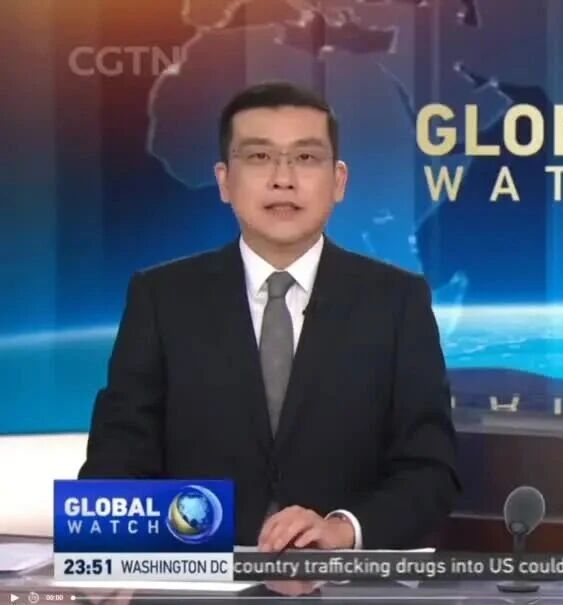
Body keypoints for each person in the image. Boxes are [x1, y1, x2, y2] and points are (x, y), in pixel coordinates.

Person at [80, 81, 460, 550]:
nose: (284, 178)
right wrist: (136, 548)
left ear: (338, 181)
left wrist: (342, 531)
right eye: (260, 156)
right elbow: (115, 463)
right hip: (195, 576)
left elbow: (430, 472)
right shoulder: (160, 298)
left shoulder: (397, 301)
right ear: (224, 181)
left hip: (342, 580)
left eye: (306, 157)